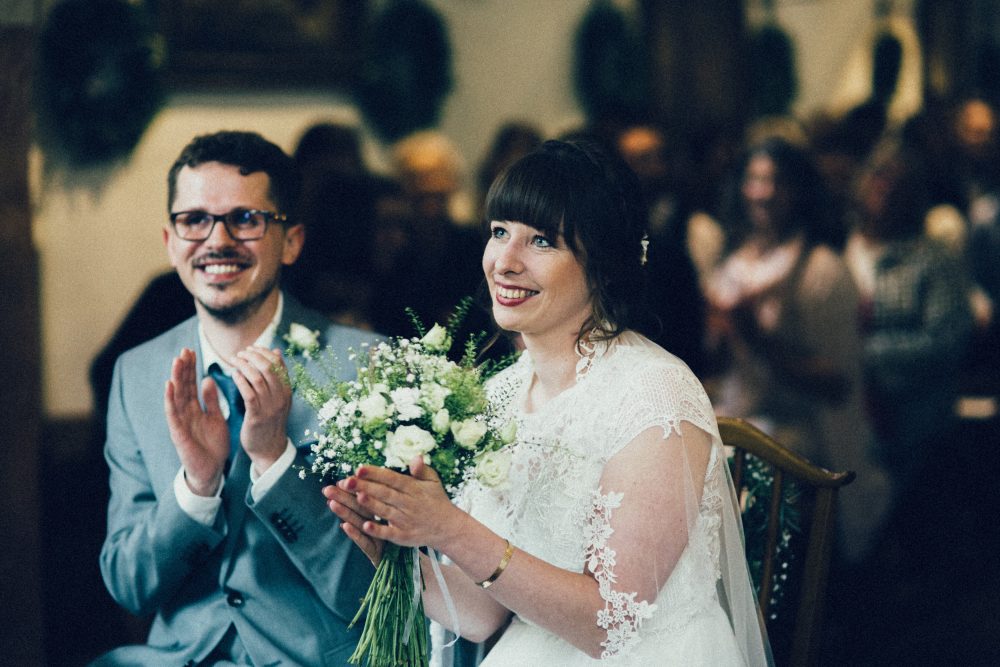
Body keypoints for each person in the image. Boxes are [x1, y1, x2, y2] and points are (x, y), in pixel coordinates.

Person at [325, 140, 772, 665]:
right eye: (499, 233)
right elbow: (481, 616)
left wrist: (450, 526)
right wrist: (397, 553)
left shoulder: (654, 396)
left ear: (603, 263)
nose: (505, 263)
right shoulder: (500, 395)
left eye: (541, 241)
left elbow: (611, 625)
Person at [95, 131, 382, 666]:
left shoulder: (366, 366)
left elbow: (374, 597)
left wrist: (275, 461)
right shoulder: (135, 374)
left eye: (245, 219)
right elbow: (128, 585)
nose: (217, 240)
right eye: (194, 220)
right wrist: (196, 489)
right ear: (169, 240)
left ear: (291, 241)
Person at [704, 138, 892, 565]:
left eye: (776, 182)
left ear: (801, 191)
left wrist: (759, 342)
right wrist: (717, 339)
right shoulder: (734, 263)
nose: (763, 192)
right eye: (754, 179)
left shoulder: (821, 269)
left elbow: (837, 385)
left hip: (809, 427)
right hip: (744, 412)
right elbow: (725, 369)